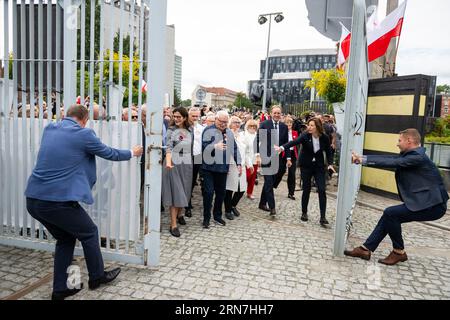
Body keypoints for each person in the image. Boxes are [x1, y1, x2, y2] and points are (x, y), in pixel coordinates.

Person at [24, 105, 143, 300]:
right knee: (89, 232)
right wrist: (132, 152)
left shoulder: (50, 129)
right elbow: (109, 153)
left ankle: (60, 289)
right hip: (57, 201)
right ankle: (97, 276)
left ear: (65, 115)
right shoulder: (84, 134)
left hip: (34, 199)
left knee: (65, 238)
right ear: (85, 119)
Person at [344, 129, 448, 265]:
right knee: (389, 216)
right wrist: (363, 159)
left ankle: (399, 252)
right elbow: (391, 159)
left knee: (391, 213)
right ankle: (366, 249)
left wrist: (362, 159)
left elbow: (394, 163)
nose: (397, 144)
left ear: (409, 141)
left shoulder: (417, 157)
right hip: (427, 203)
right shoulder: (411, 155)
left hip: (433, 205)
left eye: (400, 140)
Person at [276, 117, 333, 226]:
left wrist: (330, 164)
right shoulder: (305, 135)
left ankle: (323, 217)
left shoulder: (324, 137)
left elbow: (329, 152)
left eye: (312, 125)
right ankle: (304, 212)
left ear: (318, 127)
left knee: (321, 189)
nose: (309, 127)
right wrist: (282, 148)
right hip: (306, 166)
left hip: (319, 166)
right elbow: (294, 142)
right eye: (309, 125)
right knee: (306, 189)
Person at [201, 110, 241, 228]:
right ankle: (206, 218)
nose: (223, 124)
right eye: (221, 121)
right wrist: (214, 146)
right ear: (216, 120)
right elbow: (203, 147)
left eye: (225, 122)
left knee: (221, 193)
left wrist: (238, 163)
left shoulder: (229, 132)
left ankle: (217, 216)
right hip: (209, 168)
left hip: (222, 168)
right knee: (208, 193)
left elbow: (234, 148)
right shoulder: (208, 130)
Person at [162, 107, 193, 237]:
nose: (176, 119)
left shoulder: (190, 130)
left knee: (184, 192)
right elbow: (168, 147)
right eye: (174, 116)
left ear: (185, 117)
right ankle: (173, 224)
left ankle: (180, 215)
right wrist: (168, 161)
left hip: (186, 163)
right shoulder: (171, 130)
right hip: (173, 163)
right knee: (176, 193)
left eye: (179, 117)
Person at [256, 105, 290, 216]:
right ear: (271, 113)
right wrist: (257, 155)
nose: (276, 115)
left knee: (269, 183)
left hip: (278, 160)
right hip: (266, 158)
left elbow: (287, 145)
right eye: (275, 113)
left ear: (281, 114)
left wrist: (288, 158)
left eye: (278, 113)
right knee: (269, 183)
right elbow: (257, 140)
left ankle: (262, 203)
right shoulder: (265, 124)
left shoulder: (284, 127)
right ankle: (272, 207)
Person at [224, 116, 253, 220]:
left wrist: (249, 164)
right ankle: (227, 210)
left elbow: (247, 151)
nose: (237, 124)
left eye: (238, 122)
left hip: (242, 165)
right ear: (230, 123)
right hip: (231, 165)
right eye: (234, 122)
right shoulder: (226, 134)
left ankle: (233, 205)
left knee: (241, 189)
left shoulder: (242, 136)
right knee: (229, 189)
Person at [185, 107, 204, 218]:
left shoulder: (201, 128)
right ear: (188, 116)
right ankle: (187, 205)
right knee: (187, 180)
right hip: (186, 157)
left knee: (192, 180)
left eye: (197, 116)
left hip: (197, 156)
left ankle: (188, 201)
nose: (195, 118)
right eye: (193, 116)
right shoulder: (184, 127)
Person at [284, 116, 299, 200]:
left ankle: (291, 193)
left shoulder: (295, 133)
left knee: (292, 174)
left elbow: (297, 144)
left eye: (290, 123)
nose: (289, 124)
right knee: (280, 171)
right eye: (287, 122)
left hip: (293, 154)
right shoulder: (282, 132)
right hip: (284, 153)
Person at [243, 119, 259, 200]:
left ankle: (250, 192)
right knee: (247, 176)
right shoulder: (244, 135)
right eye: (251, 126)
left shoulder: (257, 135)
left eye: (254, 126)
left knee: (252, 178)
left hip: (255, 159)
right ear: (247, 126)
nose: (252, 127)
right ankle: (240, 189)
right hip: (246, 159)